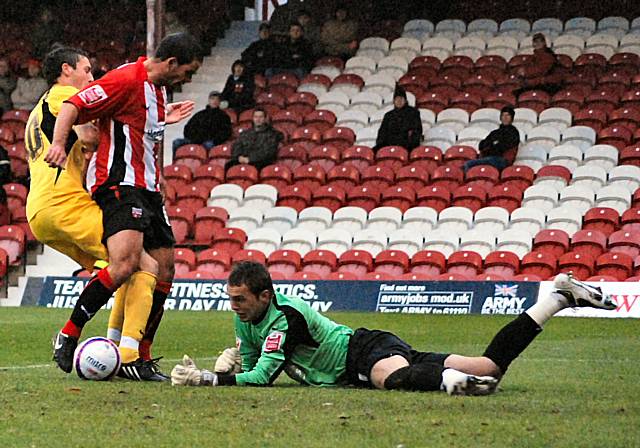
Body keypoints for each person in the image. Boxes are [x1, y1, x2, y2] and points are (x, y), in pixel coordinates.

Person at [170, 261, 616, 393]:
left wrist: (213, 378)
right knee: (491, 365)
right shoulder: (247, 317)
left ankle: (453, 383)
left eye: (240, 299)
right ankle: (556, 300)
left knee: (388, 379)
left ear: (264, 295)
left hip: (360, 352)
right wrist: (230, 363)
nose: (234, 307)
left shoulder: (282, 316)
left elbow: (262, 376)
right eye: (231, 299)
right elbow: (250, 365)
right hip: (368, 345)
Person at [45, 33, 202, 380]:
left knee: (165, 271)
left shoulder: (159, 90)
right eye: (186, 73)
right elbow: (73, 105)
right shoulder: (125, 79)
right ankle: (69, 333)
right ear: (172, 63)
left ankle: (140, 357)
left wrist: (164, 121)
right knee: (125, 263)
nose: (186, 80)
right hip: (119, 185)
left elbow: (142, 134)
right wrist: (58, 144)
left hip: (148, 190)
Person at [24, 46, 170, 381]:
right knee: (144, 263)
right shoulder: (65, 97)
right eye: (87, 70)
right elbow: (88, 135)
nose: (91, 78)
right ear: (66, 70)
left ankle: (113, 347)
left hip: (41, 211)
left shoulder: (38, 108)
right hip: (65, 204)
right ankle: (130, 355)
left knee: (118, 270)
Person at [463, 106, 520, 173]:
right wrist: (494, 144)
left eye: (507, 115)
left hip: (501, 160)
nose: (505, 118)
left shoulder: (513, 132)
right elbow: (481, 145)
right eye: (503, 115)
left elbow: (503, 147)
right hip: (489, 158)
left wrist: (491, 145)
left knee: (469, 164)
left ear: (512, 118)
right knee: (462, 167)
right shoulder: (495, 132)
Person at [225, 108, 283, 172]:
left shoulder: (272, 134)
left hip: (260, 162)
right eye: (256, 117)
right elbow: (236, 146)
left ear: (265, 119)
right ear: (253, 118)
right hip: (242, 159)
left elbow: (267, 152)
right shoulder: (246, 133)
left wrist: (250, 159)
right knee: (229, 165)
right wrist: (239, 157)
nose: (258, 119)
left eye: (260, 117)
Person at [374, 85, 422, 151]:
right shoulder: (388, 115)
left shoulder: (413, 113)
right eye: (397, 99)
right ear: (394, 101)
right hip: (389, 145)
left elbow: (417, 131)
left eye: (401, 99)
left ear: (405, 100)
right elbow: (382, 132)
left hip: (407, 146)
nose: (399, 101)